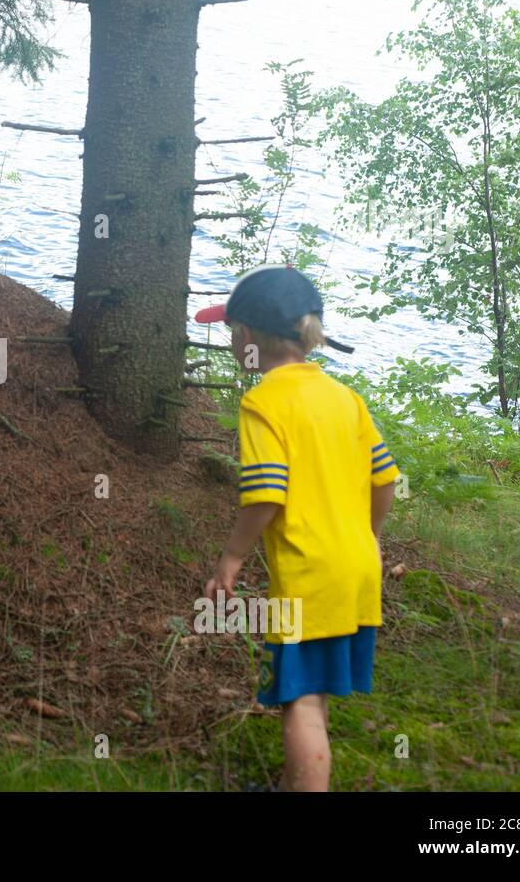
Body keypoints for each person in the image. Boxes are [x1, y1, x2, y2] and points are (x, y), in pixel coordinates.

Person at [196, 265, 399, 792]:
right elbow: (385, 480)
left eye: (230, 331)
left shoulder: (263, 401)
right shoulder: (343, 397)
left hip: (308, 578)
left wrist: (231, 558)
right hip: (356, 568)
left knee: (300, 700)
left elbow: (265, 492)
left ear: (246, 336)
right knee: (316, 689)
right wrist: (369, 537)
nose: (230, 340)